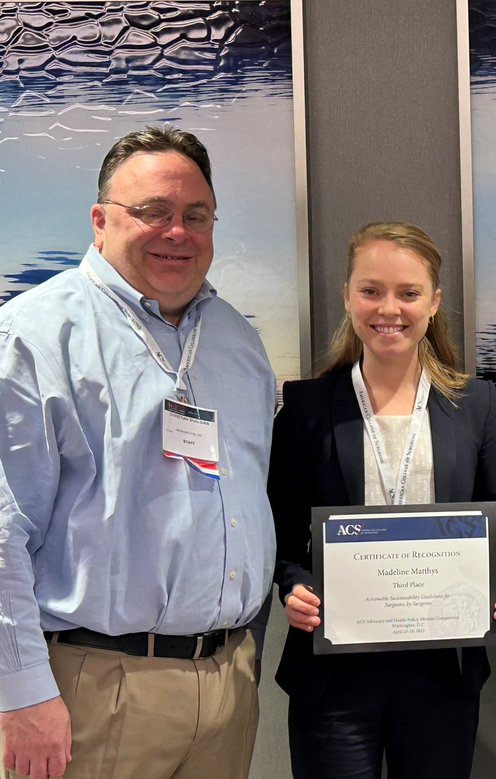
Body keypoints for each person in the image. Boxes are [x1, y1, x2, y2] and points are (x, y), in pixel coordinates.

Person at [0, 125, 275, 779]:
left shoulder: (237, 340)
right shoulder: (33, 337)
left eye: (195, 215)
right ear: (100, 221)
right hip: (94, 688)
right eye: (153, 211)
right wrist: (21, 692)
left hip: (227, 684)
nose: (176, 231)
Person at [269, 222, 496, 779]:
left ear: (433, 303)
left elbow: (493, 526)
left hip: (441, 669)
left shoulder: (475, 403)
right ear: (347, 297)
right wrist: (293, 587)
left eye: (409, 293)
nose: (390, 308)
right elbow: (282, 536)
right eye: (371, 290)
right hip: (334, 669)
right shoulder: (309, 408)